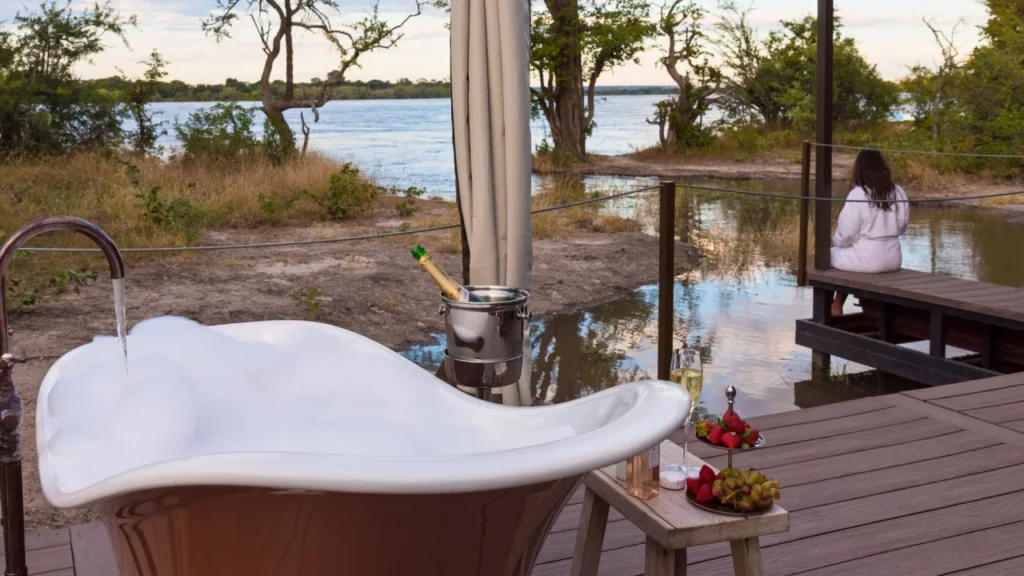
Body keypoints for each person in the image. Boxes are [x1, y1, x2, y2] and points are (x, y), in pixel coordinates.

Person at [830, 149, 909, 316]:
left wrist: (837, 242)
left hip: (866, 260)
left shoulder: (858, 194)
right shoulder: (898, 191)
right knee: (843, 254)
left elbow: (846, 234)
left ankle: (835, 306)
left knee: (828, 255)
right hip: (894, 258)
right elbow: (902, 226)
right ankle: (838, 305)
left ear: (860, 168)